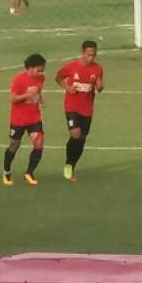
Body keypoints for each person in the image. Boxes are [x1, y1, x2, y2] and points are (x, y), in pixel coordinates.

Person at [54, 40, 105, 183]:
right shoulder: (71, 66)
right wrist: (67, 88)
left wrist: (100, 87)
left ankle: (71, 165)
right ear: (82, 52)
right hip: (71, 107)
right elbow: (58, 78)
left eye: (93, 55)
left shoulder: (98, 69)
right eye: (88, 55)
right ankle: (68, 165)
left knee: (81, 140)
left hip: (87, 109)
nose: (91, 58)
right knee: (75, 134)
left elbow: (98, 87)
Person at [2, 53, 47, 186]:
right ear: (30, 68)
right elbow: (13, 99)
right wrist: (28, 94)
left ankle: (29, 173)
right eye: (38, 70)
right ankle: (6, 172)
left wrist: (41, 100)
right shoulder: (19, 80)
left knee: (39, 143)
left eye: (42, 71)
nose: (40, 73)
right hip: (18, 120)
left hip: (34, 118)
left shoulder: (41, 79)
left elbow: (38, 91)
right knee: (14, 145)